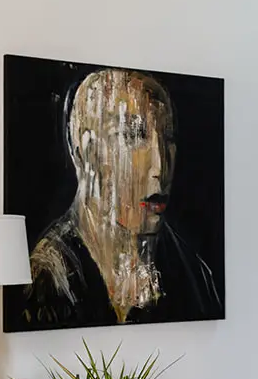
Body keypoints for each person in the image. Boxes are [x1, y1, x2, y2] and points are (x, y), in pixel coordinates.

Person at [21, 67, 221, 328]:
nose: (159, 166)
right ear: (88, 151)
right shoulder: (49, 278)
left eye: (168, 138)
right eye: (133, 135)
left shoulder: (192, 274)